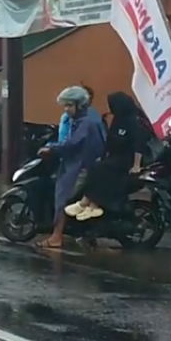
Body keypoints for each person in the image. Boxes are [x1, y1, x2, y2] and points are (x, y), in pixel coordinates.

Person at [38, 85, 106, 249]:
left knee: (62, 199)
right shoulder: (88, 117)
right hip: (80, 163)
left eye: (69, 106)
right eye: (65, 106)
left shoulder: (85, 122)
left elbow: (73, 143)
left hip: (79, 165)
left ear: (79, 105)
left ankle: (56, 236)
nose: (66, 109)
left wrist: (52, 148)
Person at [66, 92, 151, 221]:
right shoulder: (118, 119)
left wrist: (136, 165)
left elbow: (138, 144)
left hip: (127, 159)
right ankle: (92, 205)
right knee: (95, 167)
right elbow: (110, 140)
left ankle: (86, 202)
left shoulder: (133, 121)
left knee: (101, 168)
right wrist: (103, 155)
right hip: (114, 157)